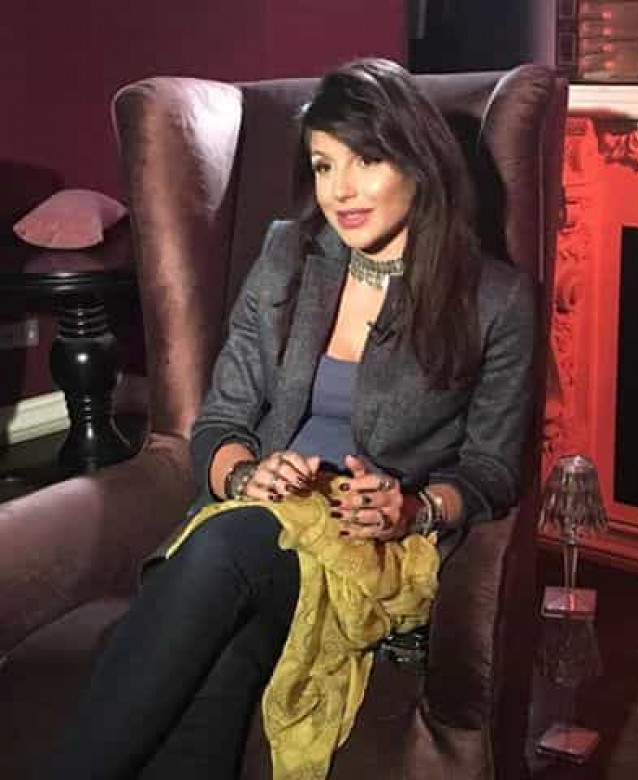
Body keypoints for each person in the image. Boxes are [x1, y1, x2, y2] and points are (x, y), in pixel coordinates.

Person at [42, 57, 535, 779]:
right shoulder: (289, 254)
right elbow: (221, 419)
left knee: (220, 558)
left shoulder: (496, 300)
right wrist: (245, 472)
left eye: (367, 160)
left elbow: (493, 468)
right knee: (229, 640)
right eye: (325, 164)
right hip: (257, 523)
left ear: (420, 163)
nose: (341, 190)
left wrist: (416, 507)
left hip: (367, 543)